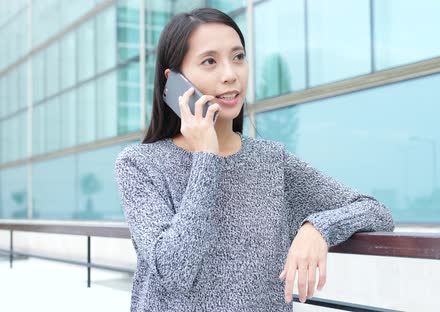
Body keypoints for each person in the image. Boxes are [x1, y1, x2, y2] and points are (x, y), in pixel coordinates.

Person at [114, 7, 395, 312]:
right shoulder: (139, 165)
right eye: (210, 61)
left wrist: (317, 228)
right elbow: (173, 270)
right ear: (174, 82)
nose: (230, 74)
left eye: (238, 57)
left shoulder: (271, 161)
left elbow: (375, 211)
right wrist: (206, 156)